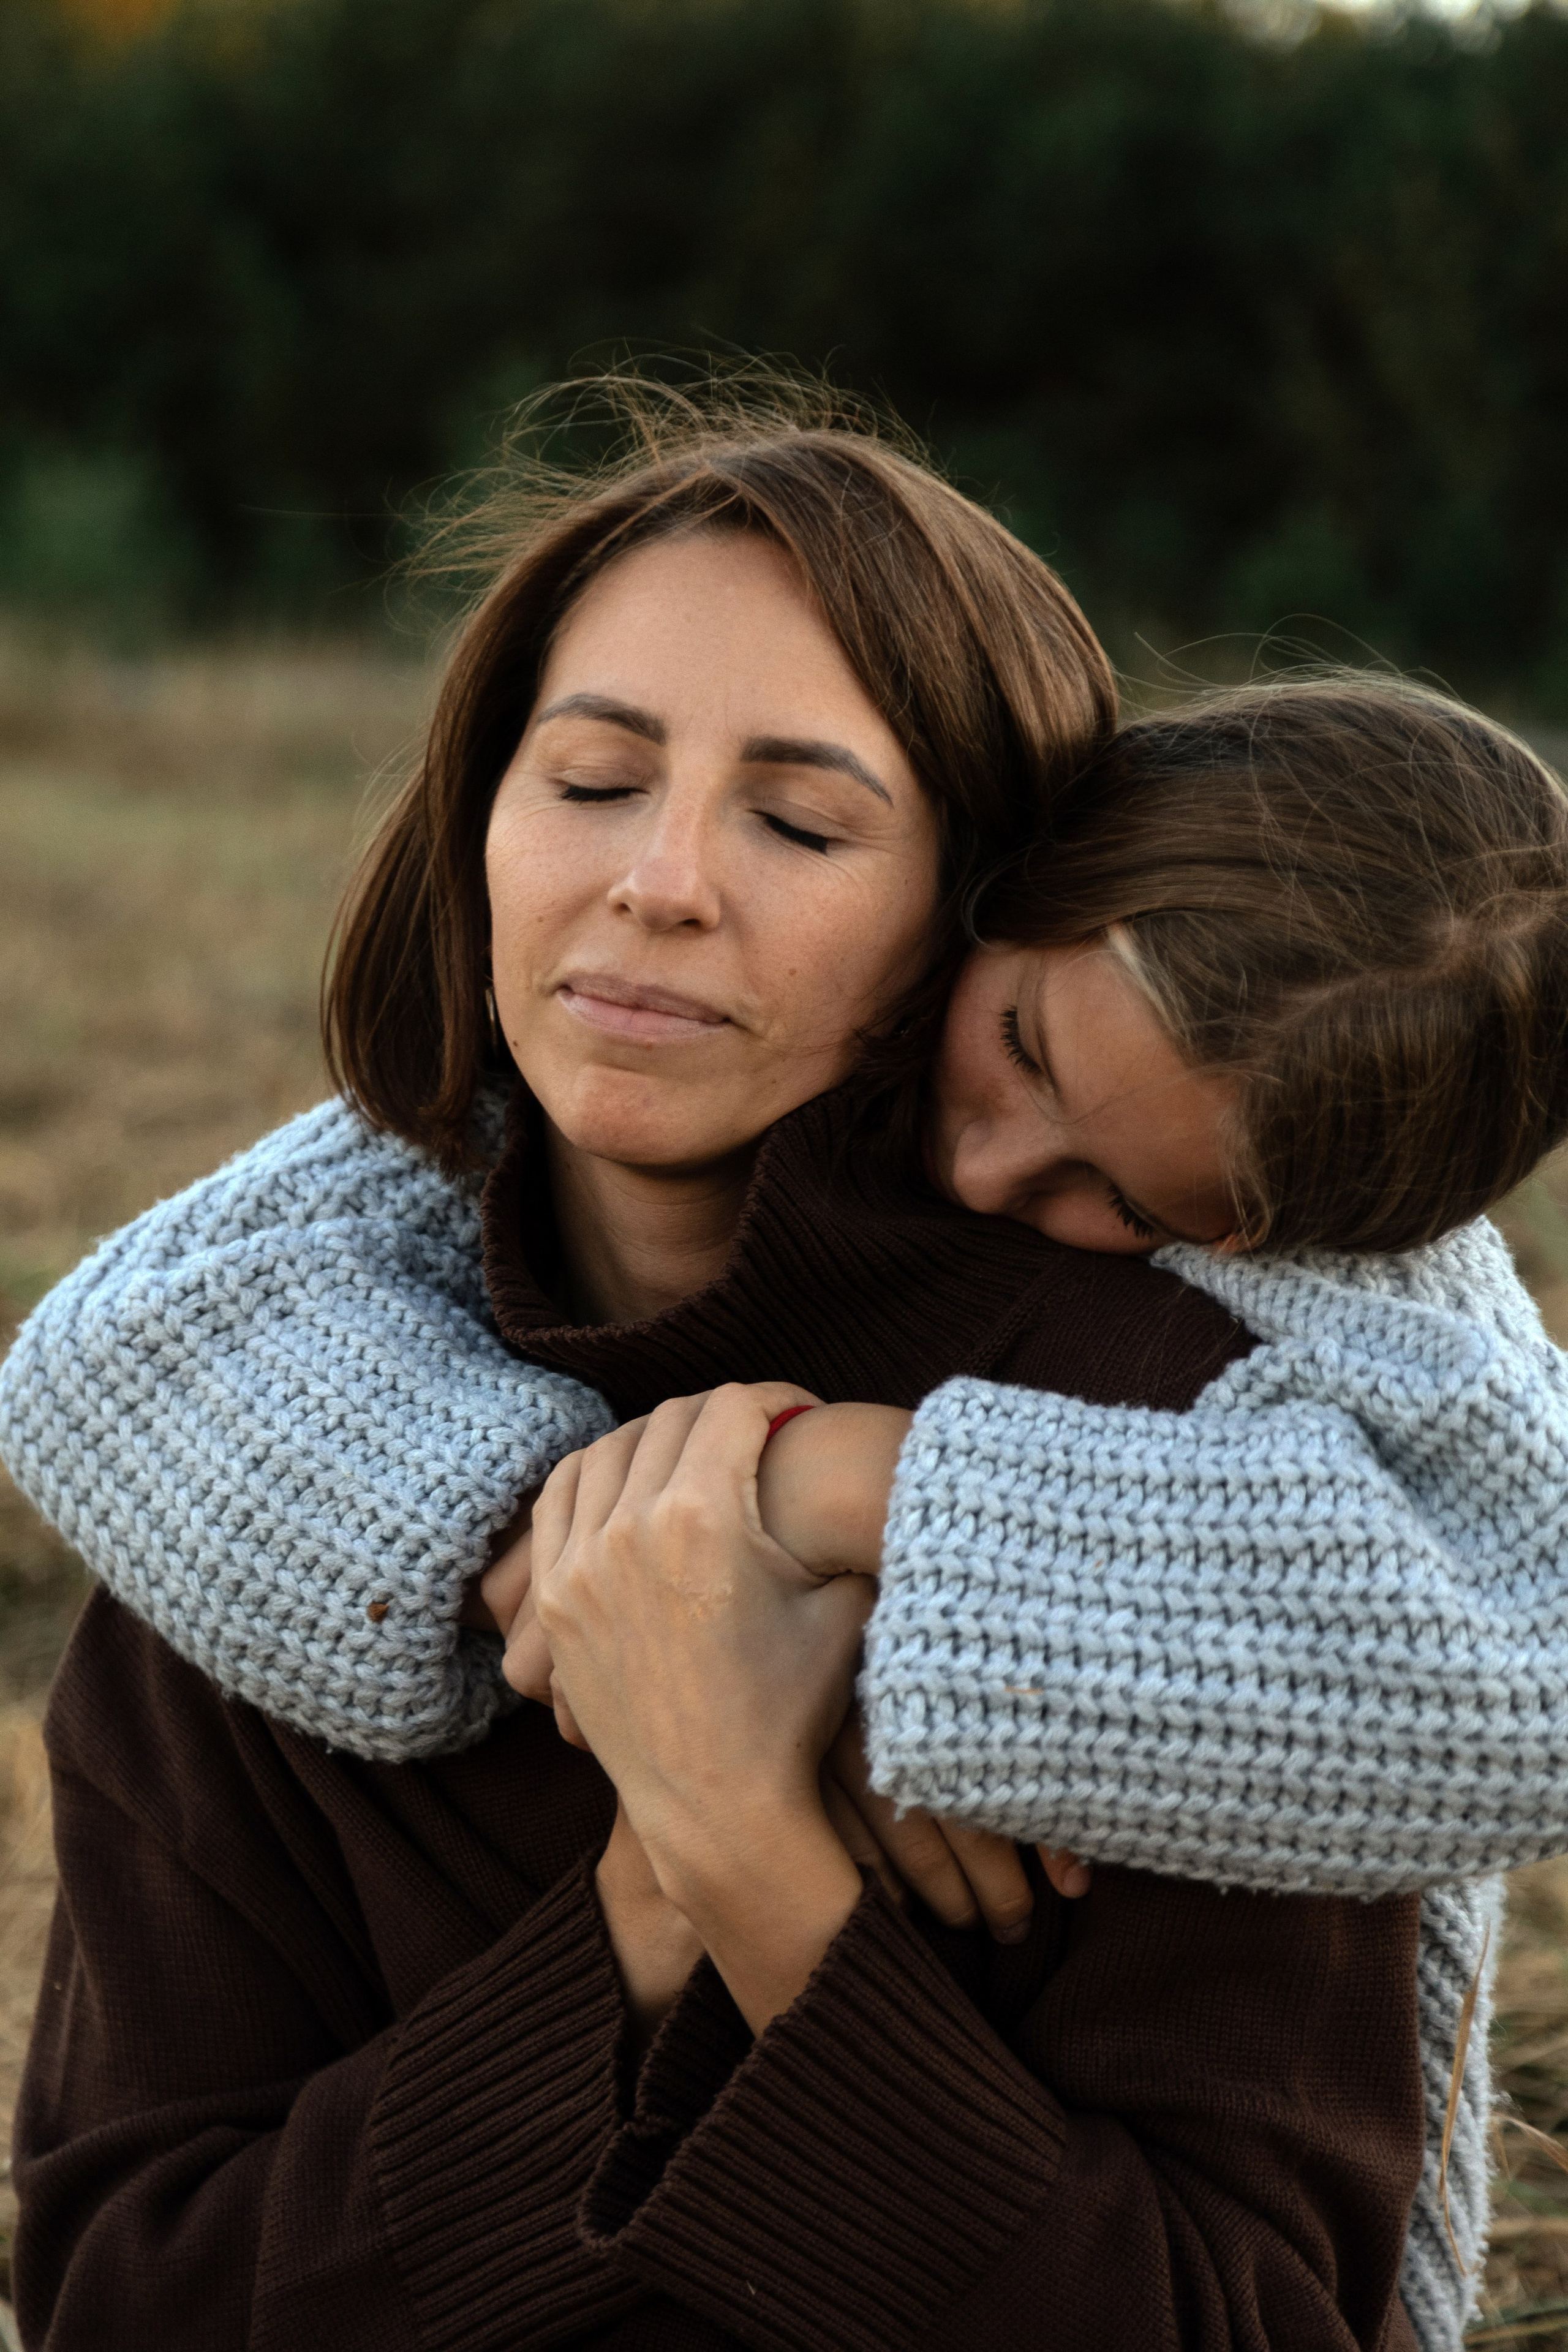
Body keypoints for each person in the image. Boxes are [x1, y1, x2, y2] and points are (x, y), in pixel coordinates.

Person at [0, 386, 1516, 2348]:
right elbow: (131, 2293)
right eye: (591, 776)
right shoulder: (244, 1444)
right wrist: (658, 1867)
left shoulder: (1180, 1499)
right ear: (477, 823)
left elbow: (1239, 2318)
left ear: (982, 911)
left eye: (802, 819)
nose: (662, 881)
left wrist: (752, 1857)